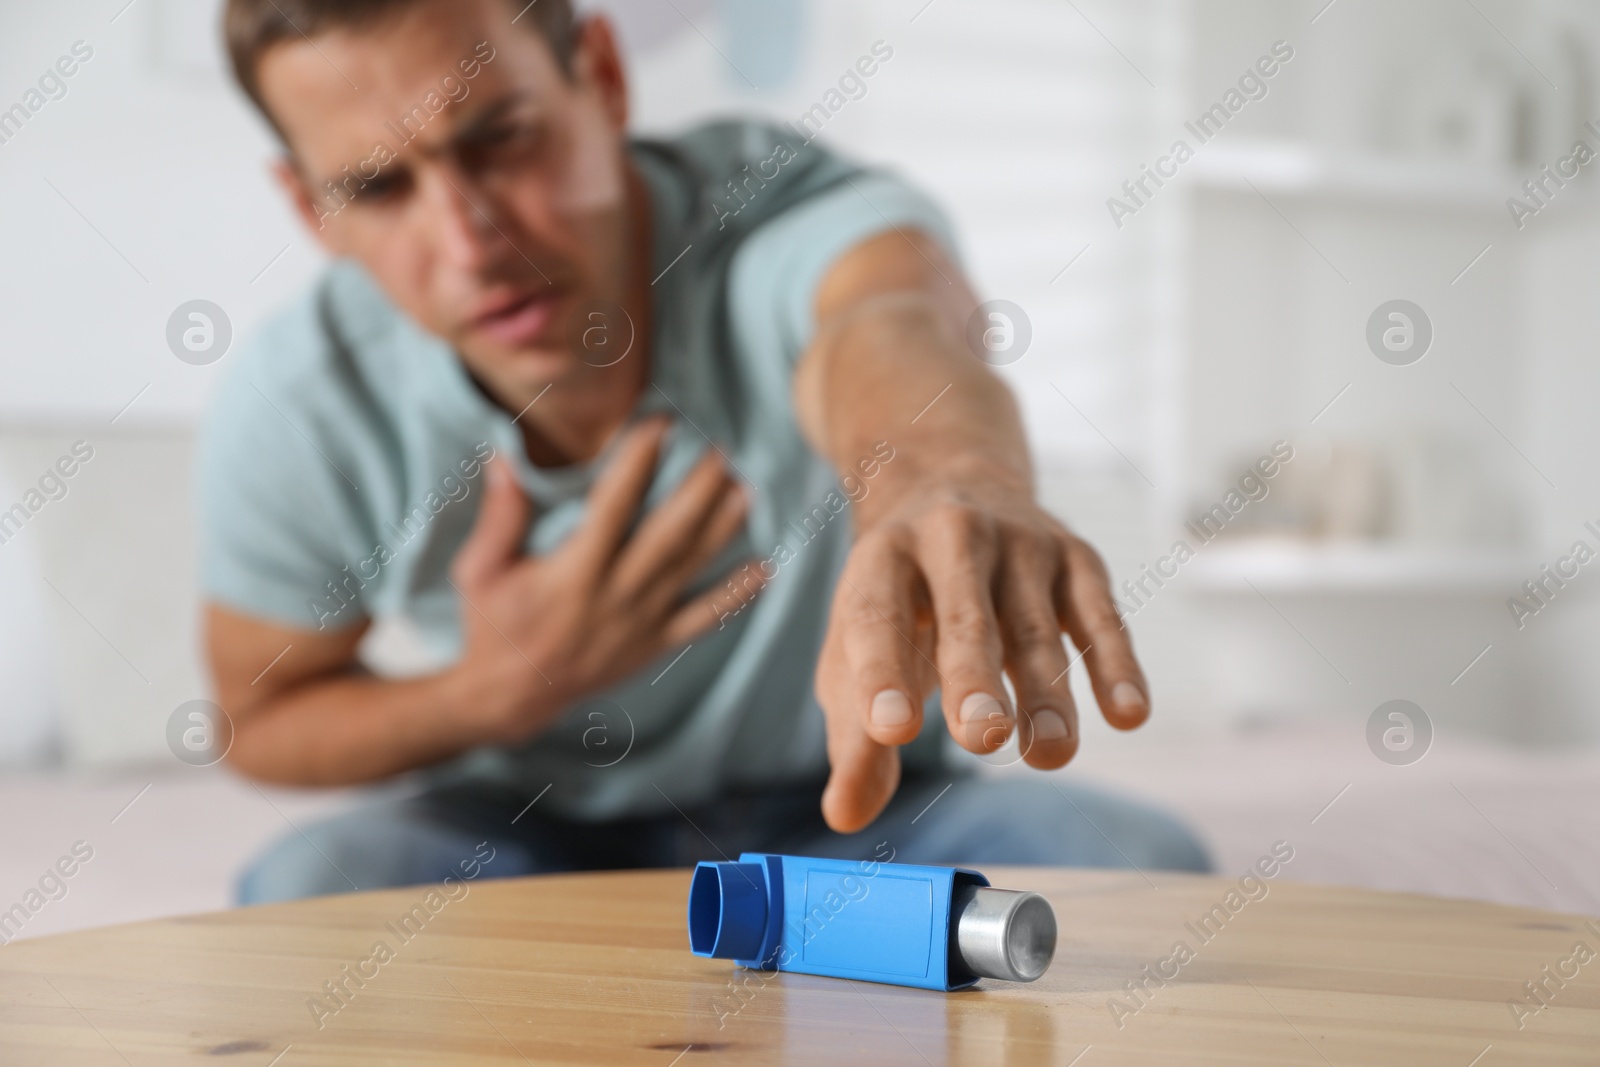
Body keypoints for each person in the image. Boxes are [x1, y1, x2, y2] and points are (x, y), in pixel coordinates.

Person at [203, 0, 1208, 903]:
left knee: (1129, 868)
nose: (470, 241)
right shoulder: (305, 399)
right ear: (310, 209)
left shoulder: (770, 207)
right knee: (315, 884)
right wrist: (494, 689)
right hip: (523, 832)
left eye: (502, 138)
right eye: (378, 187)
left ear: (599, 76)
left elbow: (886, 320)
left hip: (865, 815)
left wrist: (944, 476)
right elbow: (258, 717)